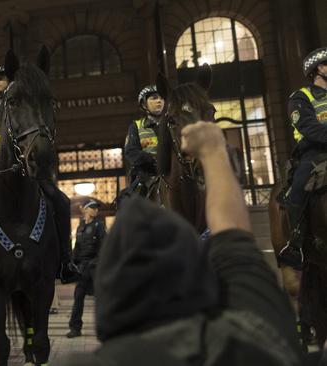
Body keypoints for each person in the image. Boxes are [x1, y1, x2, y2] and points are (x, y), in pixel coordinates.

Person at [56, 122, 302, 366]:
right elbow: (236, 245)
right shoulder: (255, 339)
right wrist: (214, 152)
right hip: (145, 174)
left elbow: (236, 247)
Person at [0, 66, 78, 292]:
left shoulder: (26, 107)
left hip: (24, 163)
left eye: (2, 78)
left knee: (61, 202)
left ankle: (66, 261)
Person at [278, 47, 327, 269]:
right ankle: (295, 243)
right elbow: (308, 127)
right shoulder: (300, 97)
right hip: (313, 152)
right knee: (298, 186)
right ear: (320, 68)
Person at [66, 200, 105, 338]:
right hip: (82, 269)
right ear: (86, 210)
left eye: (96, 208)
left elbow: (103, 247)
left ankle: (105, 328)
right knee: (78, 298)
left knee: (101, 299)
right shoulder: (80, 227)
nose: (96, 210)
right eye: (93, 208)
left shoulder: (99, 225)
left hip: (94, 268)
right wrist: (73, 263)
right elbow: (77, 248)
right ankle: (75, 328)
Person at [123, 85, 164, 197]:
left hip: (173, 172)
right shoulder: (136, 126)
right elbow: (131, 151)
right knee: (129, 200)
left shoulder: (173, 124)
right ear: (144, 104)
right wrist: (151, 159)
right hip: (147, 174)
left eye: (161, 98)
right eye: (154, 98)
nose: (159, 101)